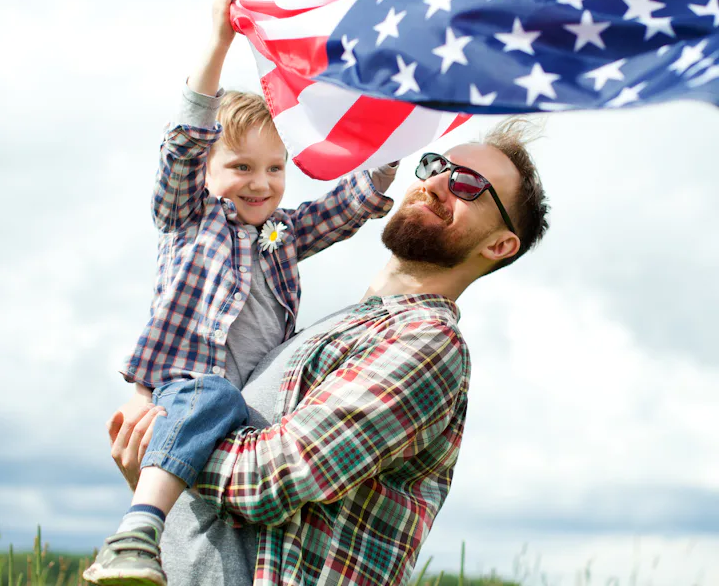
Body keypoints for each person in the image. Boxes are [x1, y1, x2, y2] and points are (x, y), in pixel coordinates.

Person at [108, 122, 550, 586]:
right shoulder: (317, 332)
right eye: (435, 166)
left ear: (499, 245)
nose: (436, 183)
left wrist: (165, 440)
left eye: (468, 185)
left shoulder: (428, 341)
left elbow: (272, 476)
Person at [84, 0, 398, 586]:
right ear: (207, 171)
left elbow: (341, 209)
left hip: (247, 412)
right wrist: (217, 43)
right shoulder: (190, 219)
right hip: (187, 390)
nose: (261, 184)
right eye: (241, 167)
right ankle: (135, 532)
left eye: (275, 168)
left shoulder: (275, 237)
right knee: (212, 399)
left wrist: (387, 153)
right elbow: (185, 139)